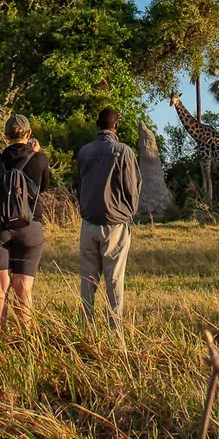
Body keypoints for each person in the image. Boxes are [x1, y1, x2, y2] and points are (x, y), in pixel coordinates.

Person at [75, 107, 141, 333]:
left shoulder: (84, 151)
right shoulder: (123, 151)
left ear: (97, 125)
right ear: (116, 127)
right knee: (114, 281)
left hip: (88, 223)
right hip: (115, 223)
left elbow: (79, 185)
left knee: (87, 281)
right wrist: (129, 213)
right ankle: (116, 332)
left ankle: (85, 330)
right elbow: (132, 187)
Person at [0, 115, 52, 329]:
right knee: (23, 289)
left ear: (5, 136)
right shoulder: (40, 159)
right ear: (29, 134)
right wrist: (37, 154)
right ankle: (27, 340)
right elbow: (44, 188)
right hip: (30, 226)